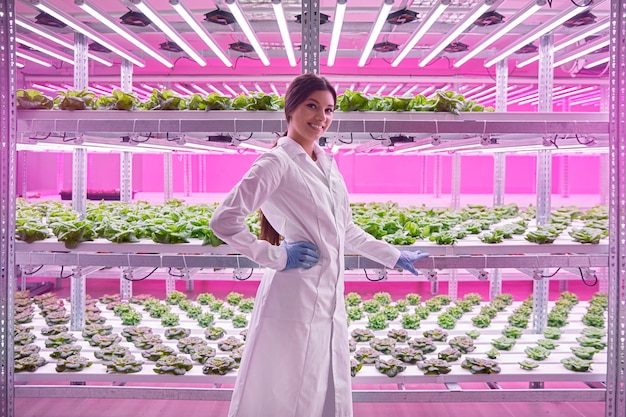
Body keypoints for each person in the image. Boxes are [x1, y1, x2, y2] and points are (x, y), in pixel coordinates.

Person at [209, 73, 429, 417]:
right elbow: (224, 221)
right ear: (290, 108)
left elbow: (346, 229)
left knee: (322, 386)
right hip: (293, 296)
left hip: (327, 296)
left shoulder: (327, 162)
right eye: (312, 106)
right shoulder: (275, 162)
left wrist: (394, 255)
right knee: (286, 390)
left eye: (328, 110)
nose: (321, 118)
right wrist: (277, 256)